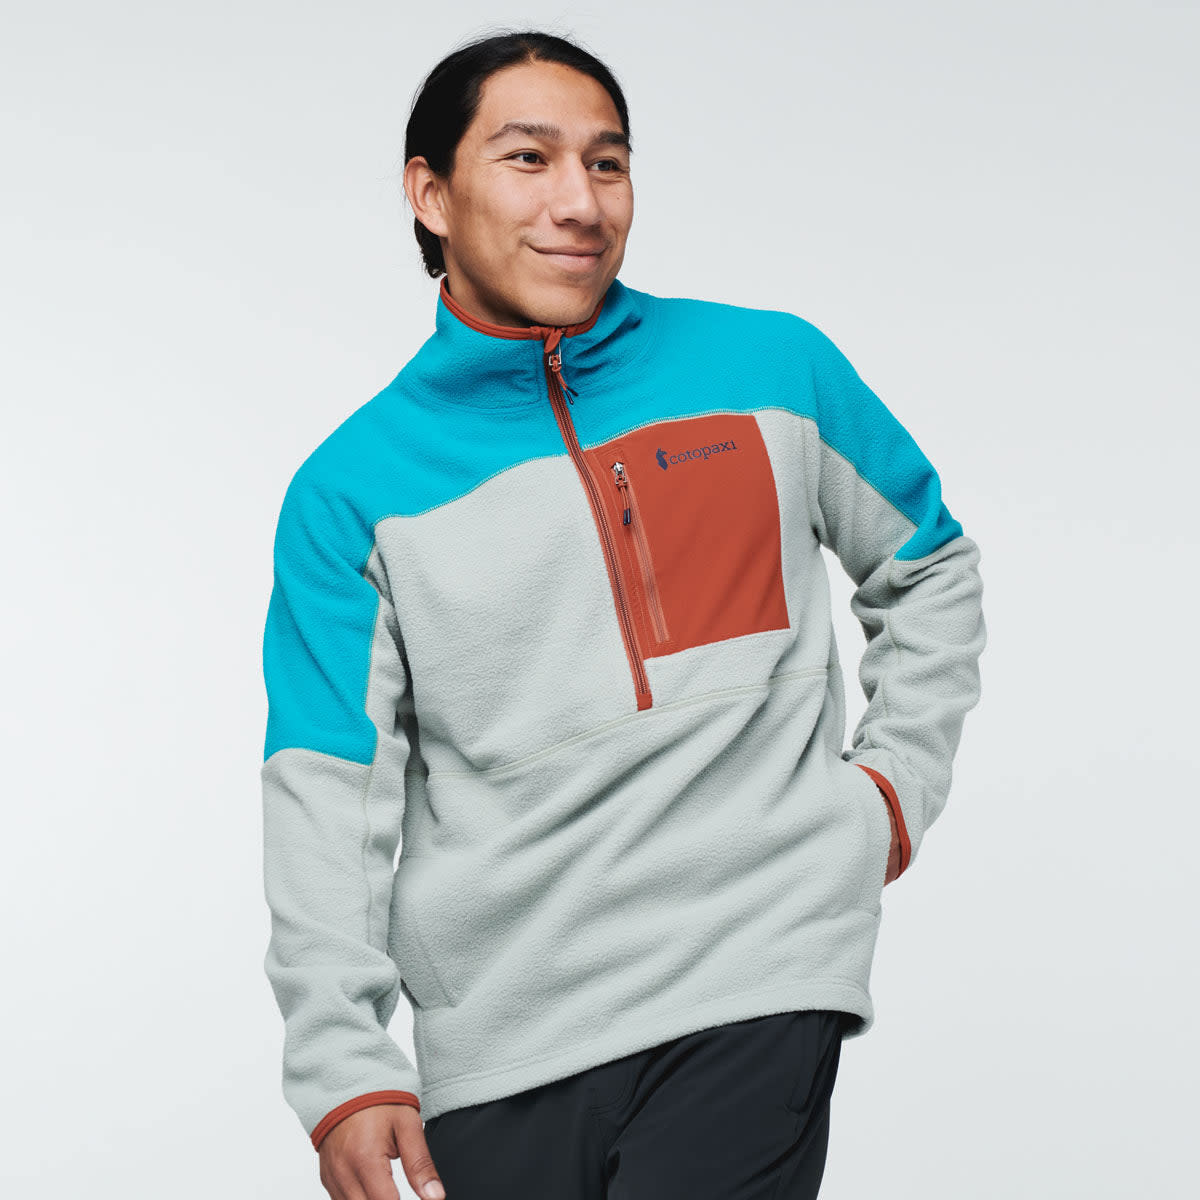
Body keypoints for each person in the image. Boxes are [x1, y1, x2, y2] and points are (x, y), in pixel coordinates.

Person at [259, 28, 986, 1200]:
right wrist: (343, 1063)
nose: (580, 203)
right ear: (431, 195)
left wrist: (890, 794)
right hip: (502, 1040)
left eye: (607, 163)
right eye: (529, 159)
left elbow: (930, 566)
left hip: (753, 970)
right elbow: (326, 786)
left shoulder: (773, 366)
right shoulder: (352, 491)